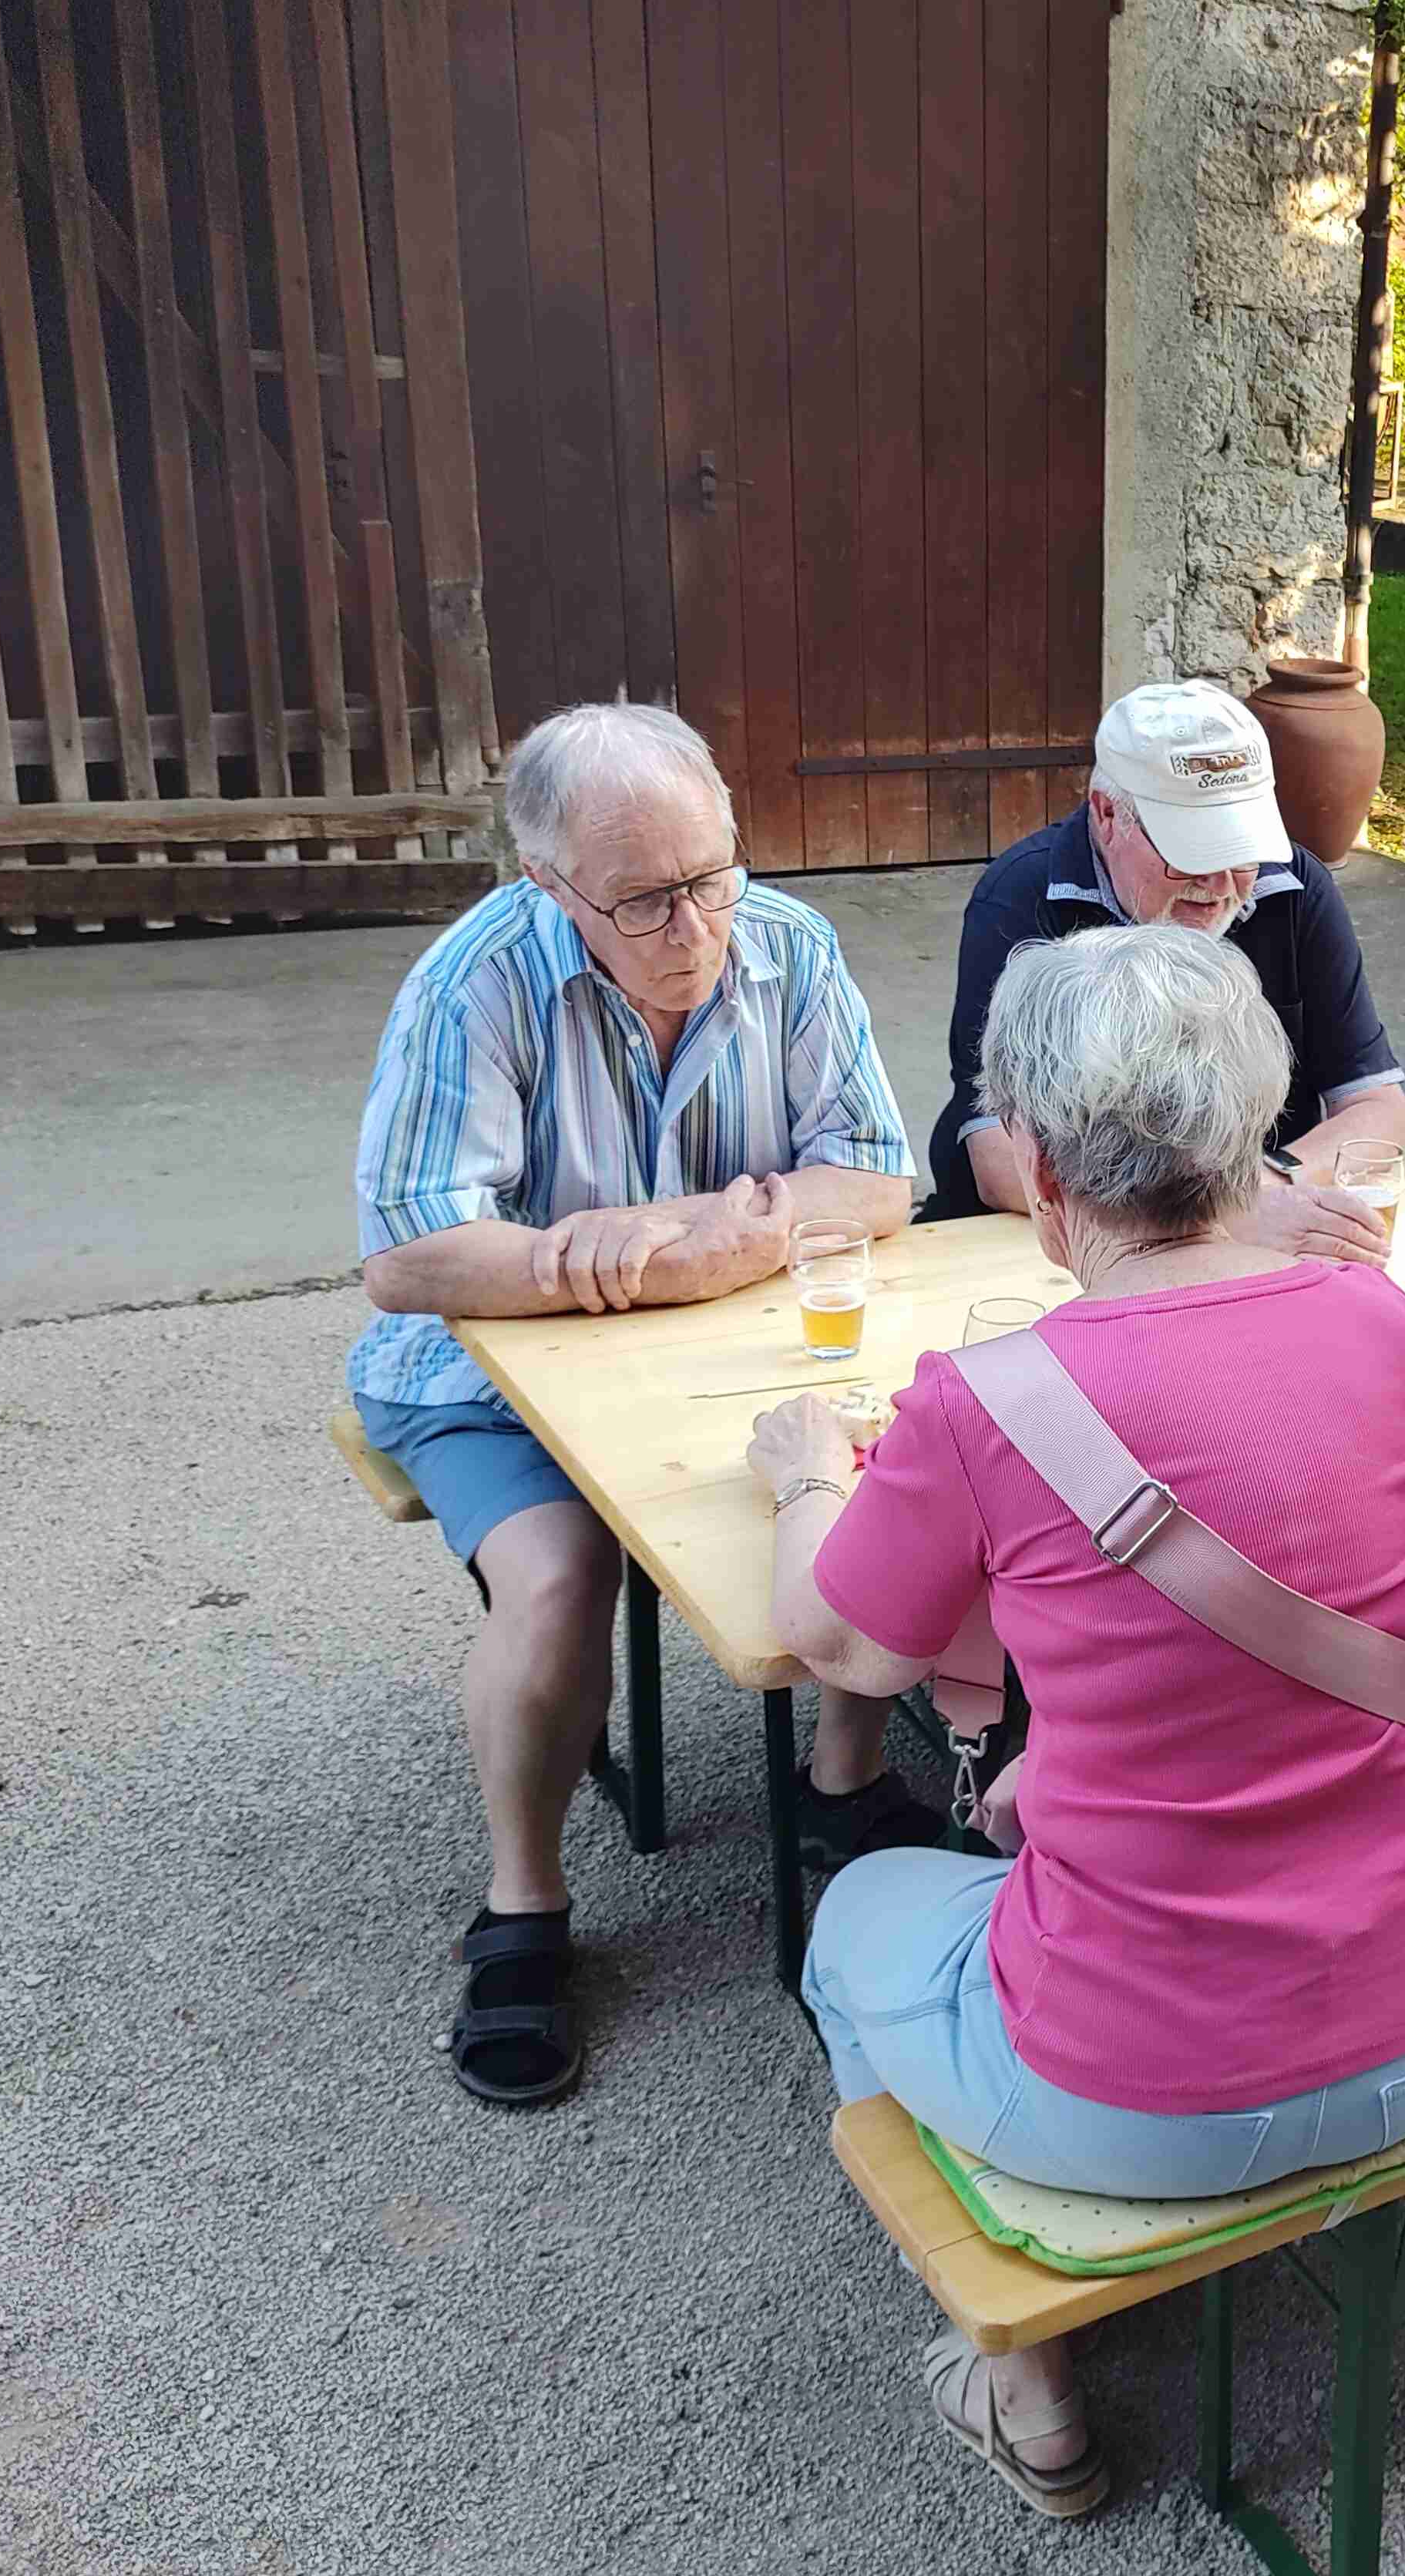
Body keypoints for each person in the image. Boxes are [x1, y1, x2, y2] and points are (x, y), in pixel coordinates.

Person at [763, 923, 1405, 2524]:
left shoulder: (980, 1399)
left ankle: (1025, 2373)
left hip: (1141, 2091)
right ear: (1254, 1129)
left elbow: (836, 1643)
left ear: (1036, 1168)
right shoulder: (1373, 1320)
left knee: (855, 1914)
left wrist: (804, 1478)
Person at [348, 701, 919, 2108]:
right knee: (558, 1582)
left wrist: (706, 1242)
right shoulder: (474, 983)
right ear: (551, 886)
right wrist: (605, 1257)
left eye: (712, 875)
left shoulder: (789, 943)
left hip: (734, 1342)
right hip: (494, 1379)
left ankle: (841, 1784)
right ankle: (523, 1907)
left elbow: (877, 1175)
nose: (695, 926)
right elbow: (409, 1257)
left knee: (890, 1474)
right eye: (645, 900)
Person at [926, 680, 1405, 1265]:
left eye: (1241, 849)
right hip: (1041, 1244)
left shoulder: (1295, 885)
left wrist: (1271, 1189)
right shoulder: (1020, 896)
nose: (1221, 885)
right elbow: (994, 1152)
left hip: (1261, 1226)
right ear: (1107, 814)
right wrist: (1228, 1211)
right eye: (1193, 852)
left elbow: (1378, 1107)